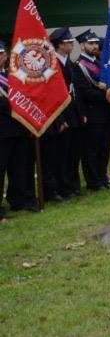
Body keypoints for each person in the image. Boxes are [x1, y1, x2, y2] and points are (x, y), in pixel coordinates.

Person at [41, 29, 80, 201]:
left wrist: (80, 114)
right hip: (59, 115)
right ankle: (55, 188)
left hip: (73, 112)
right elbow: (51, 94)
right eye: (68, 42)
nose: (71, 44)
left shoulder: (69, 63)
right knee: (57, 154)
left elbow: (75, 91)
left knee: (72, 152)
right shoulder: (51, 64)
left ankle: (70, 185)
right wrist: (60, 119)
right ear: (59, 45)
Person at [0, 43, 38, 217]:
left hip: (19, 128)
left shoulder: (12, 76)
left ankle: (19, 200)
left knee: (19, 167)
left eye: (1, 53)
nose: (0, 57)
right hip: (2, 130)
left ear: (6, 56)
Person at [71, 31, 110, 190]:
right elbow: (84, 91)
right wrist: (107, 94)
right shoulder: (78, 66)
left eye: (96, 43)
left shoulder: (100, 63)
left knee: (104, 147)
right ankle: (94, 181)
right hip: (92, 113)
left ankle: (102, 177)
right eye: (91, 43)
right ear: (82, 45)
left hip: (106, 112)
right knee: (92, 149)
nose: (95, 46)